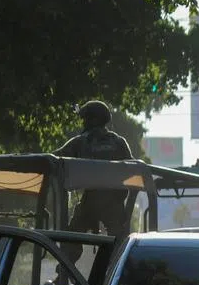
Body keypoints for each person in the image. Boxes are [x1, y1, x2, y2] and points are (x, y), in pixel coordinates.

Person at [54, 100, 137, 268]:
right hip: (114, 203)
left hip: (91, 202)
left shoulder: (81, 141)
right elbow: (134, 169)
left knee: (71, 237)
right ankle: (120, 274)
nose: (83, 123)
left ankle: (63, 275)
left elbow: (53, 159)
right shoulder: (119, 142)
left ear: (92, 120)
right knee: (121, 244)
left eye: (85, 119)